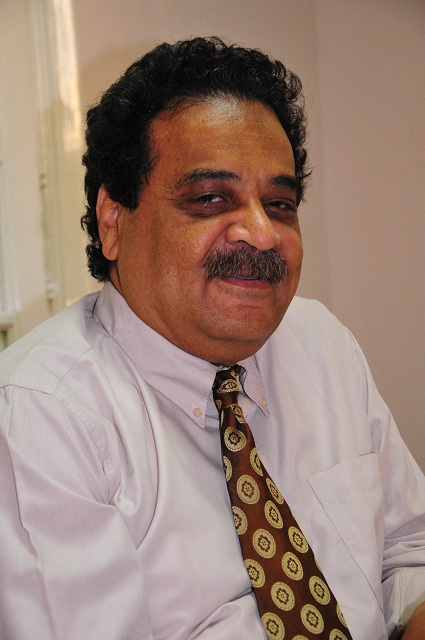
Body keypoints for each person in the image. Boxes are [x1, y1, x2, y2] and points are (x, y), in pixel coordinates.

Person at [0, 36, 424, 640]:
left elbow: (407, 552)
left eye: (280, 203)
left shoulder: (321, 344)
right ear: (114, 221)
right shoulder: (39, 417)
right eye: (209, 198)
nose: (261, 232)